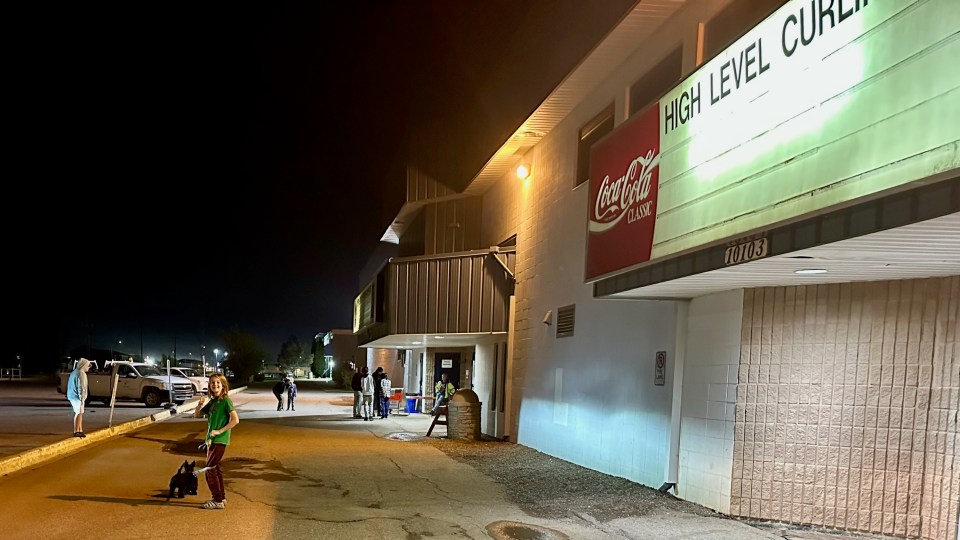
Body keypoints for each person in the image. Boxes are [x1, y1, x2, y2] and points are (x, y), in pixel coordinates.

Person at [195, 373, 239, 510]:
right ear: (209, 385)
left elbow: (235, 420)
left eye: (218, 383)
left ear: (223, 385)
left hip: (220, 440)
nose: (215, 385)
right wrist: (199, 405)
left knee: (209, 470)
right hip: (210, 441)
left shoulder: (226, 401)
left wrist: (220, 431)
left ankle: (217, 500)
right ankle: (222, 498)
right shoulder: (213, 402)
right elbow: (197, 415)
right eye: (213, 383)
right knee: (216, 469)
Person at [66, 358, 92, 438]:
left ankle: (80, 430)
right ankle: (76, 431)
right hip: (77, 397)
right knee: (78, 413)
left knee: (80, 413)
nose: (88, 367)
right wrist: (82, 398)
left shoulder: (74, 372)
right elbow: (82, 387)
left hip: (72, 396)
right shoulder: (81, 373)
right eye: (88, 366)